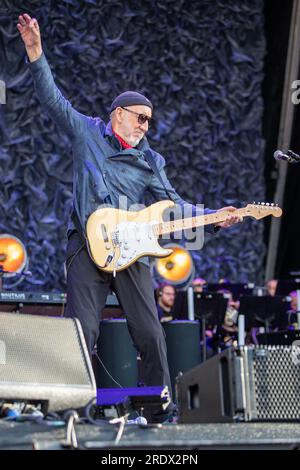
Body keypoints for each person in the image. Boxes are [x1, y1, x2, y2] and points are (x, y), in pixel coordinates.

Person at [17, 13, 242, 421]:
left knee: (151, 333)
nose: (145, 126)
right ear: (118, 113)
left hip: (133, 250)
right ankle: (72, 407)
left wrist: (215, 217)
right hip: (87, 246)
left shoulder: (151, 161)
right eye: (140, 117)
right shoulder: (88, 133)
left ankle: (156, 410)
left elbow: (173, 206)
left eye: (149, 121)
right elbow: (53, 100)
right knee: (83, 330)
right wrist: (36, 53)